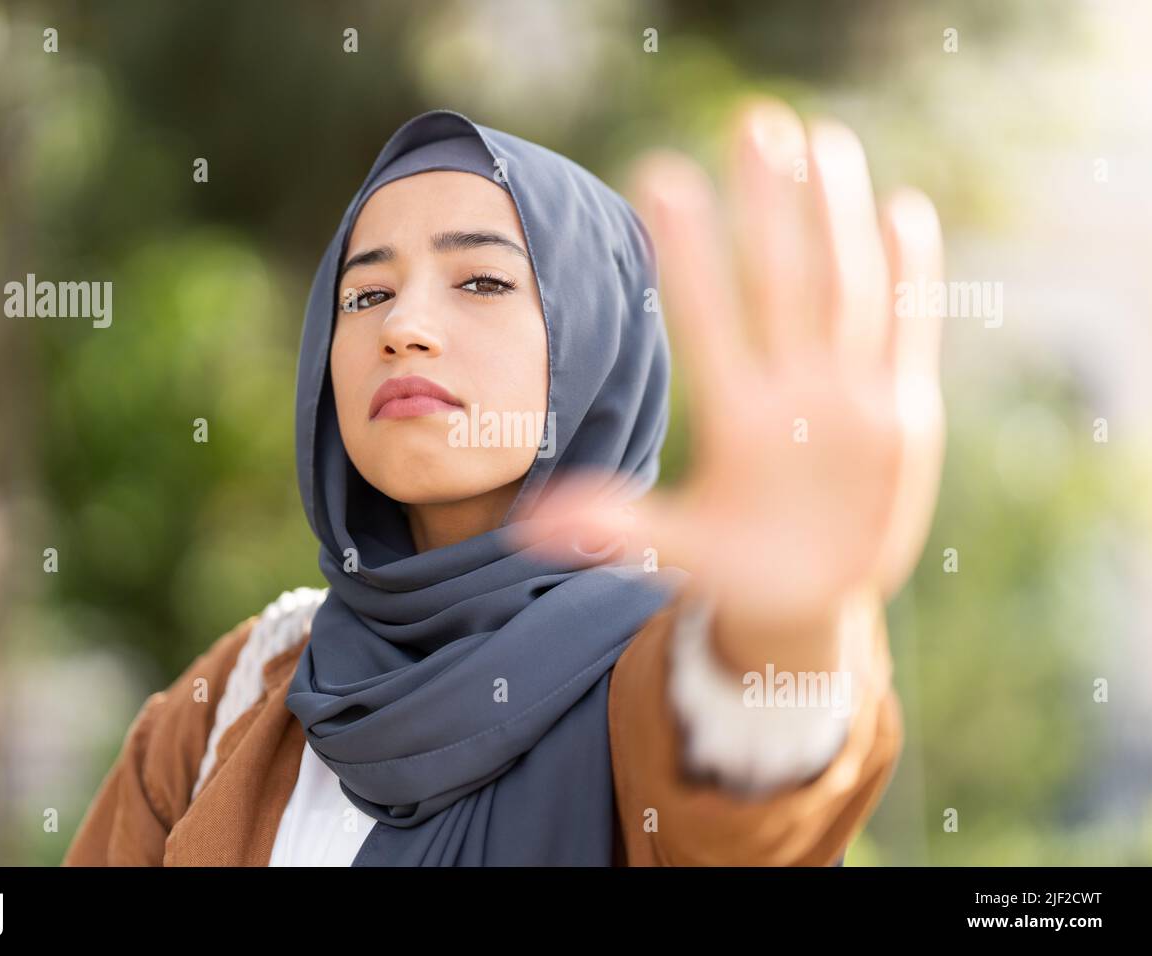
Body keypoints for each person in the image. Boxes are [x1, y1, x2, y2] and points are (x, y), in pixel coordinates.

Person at [63, 97, 942, 866]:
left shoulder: (665, 676)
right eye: (364, 296)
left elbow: (751, 794)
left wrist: (790, 629)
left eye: (481, 280)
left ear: (597, 342)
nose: (404, 326)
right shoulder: (245, 690)